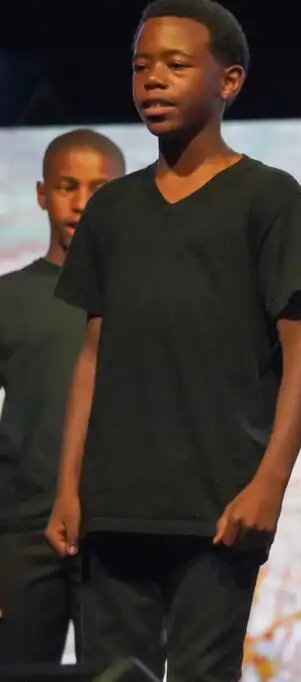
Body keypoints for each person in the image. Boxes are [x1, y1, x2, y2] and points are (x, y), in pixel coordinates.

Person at [42, 1, 301, 680]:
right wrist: (68, 487)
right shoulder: (112, 209)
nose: (152, 80)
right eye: (141, 66)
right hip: (113, 506)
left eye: (175, 65)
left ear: (228, 80)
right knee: (113, 673)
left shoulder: (268, 197)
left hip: (219, 507)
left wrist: (269, 484)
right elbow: (92, 355)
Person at [0, 130, 125, 665]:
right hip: (22, 533)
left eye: (99, 188)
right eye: (67, 186)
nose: (80, 203)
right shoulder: (9, 299)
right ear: (41, 194)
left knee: (121, 672)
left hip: (120, 528)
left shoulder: (144, 298)